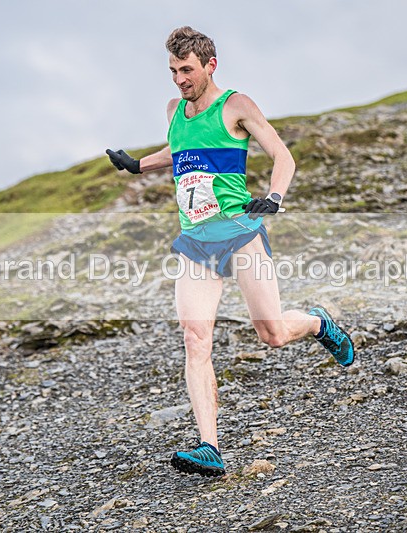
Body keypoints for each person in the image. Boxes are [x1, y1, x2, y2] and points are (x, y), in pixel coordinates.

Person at [106, 26, 354, 477]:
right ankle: (210, 446)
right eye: (173, 71)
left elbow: (283, 156)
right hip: (195, 241)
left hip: (240, 233)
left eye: (187, 70)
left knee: (272, 334)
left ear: (210, 65)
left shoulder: (236, 105)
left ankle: (318, 322)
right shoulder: (174, 110)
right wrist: (139, 164)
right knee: (194, 337)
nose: (179, 79)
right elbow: (181, 148)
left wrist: (274, 197)